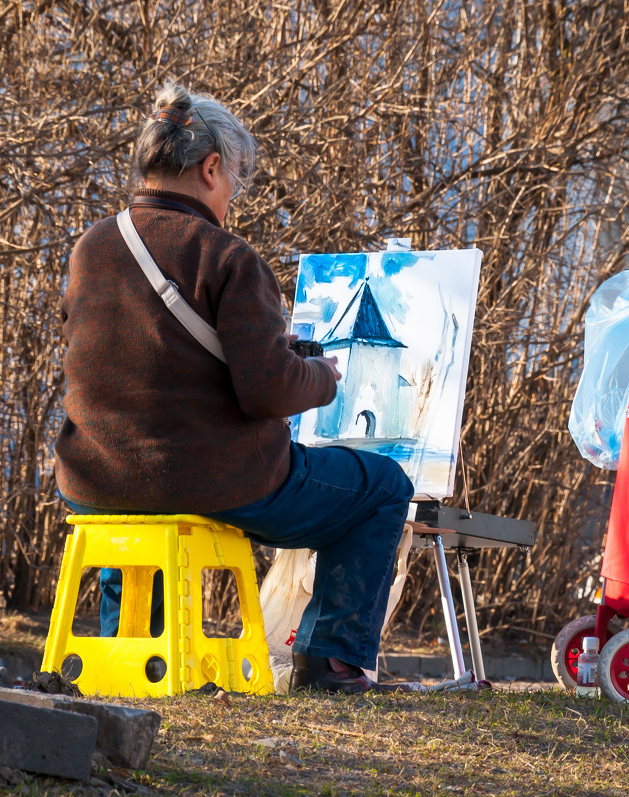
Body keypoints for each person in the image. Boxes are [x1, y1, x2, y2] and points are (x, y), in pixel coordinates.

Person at [54, 81, 413, 694]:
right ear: (211, 167)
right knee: (384, 486)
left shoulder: (92, 247)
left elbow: (159, 362)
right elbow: (268, 393)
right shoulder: (227, 256)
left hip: (97, 479)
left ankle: (132, 650)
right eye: (233, 182)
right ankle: (332, 663)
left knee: (142, 489)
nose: (232, 199)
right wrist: (321, 379)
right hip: (215, 481)